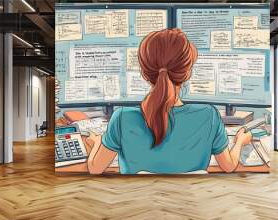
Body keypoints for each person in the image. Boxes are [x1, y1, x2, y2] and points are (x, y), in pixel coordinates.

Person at [86, 28, 252, 174]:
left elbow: (95, 168)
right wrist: (239, 143)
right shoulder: (209, 116)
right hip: (191, 204)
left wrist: (96, 143)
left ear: (145, 73)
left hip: (136, 204)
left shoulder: (121, 117)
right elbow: (229, 166)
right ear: (187, 74)